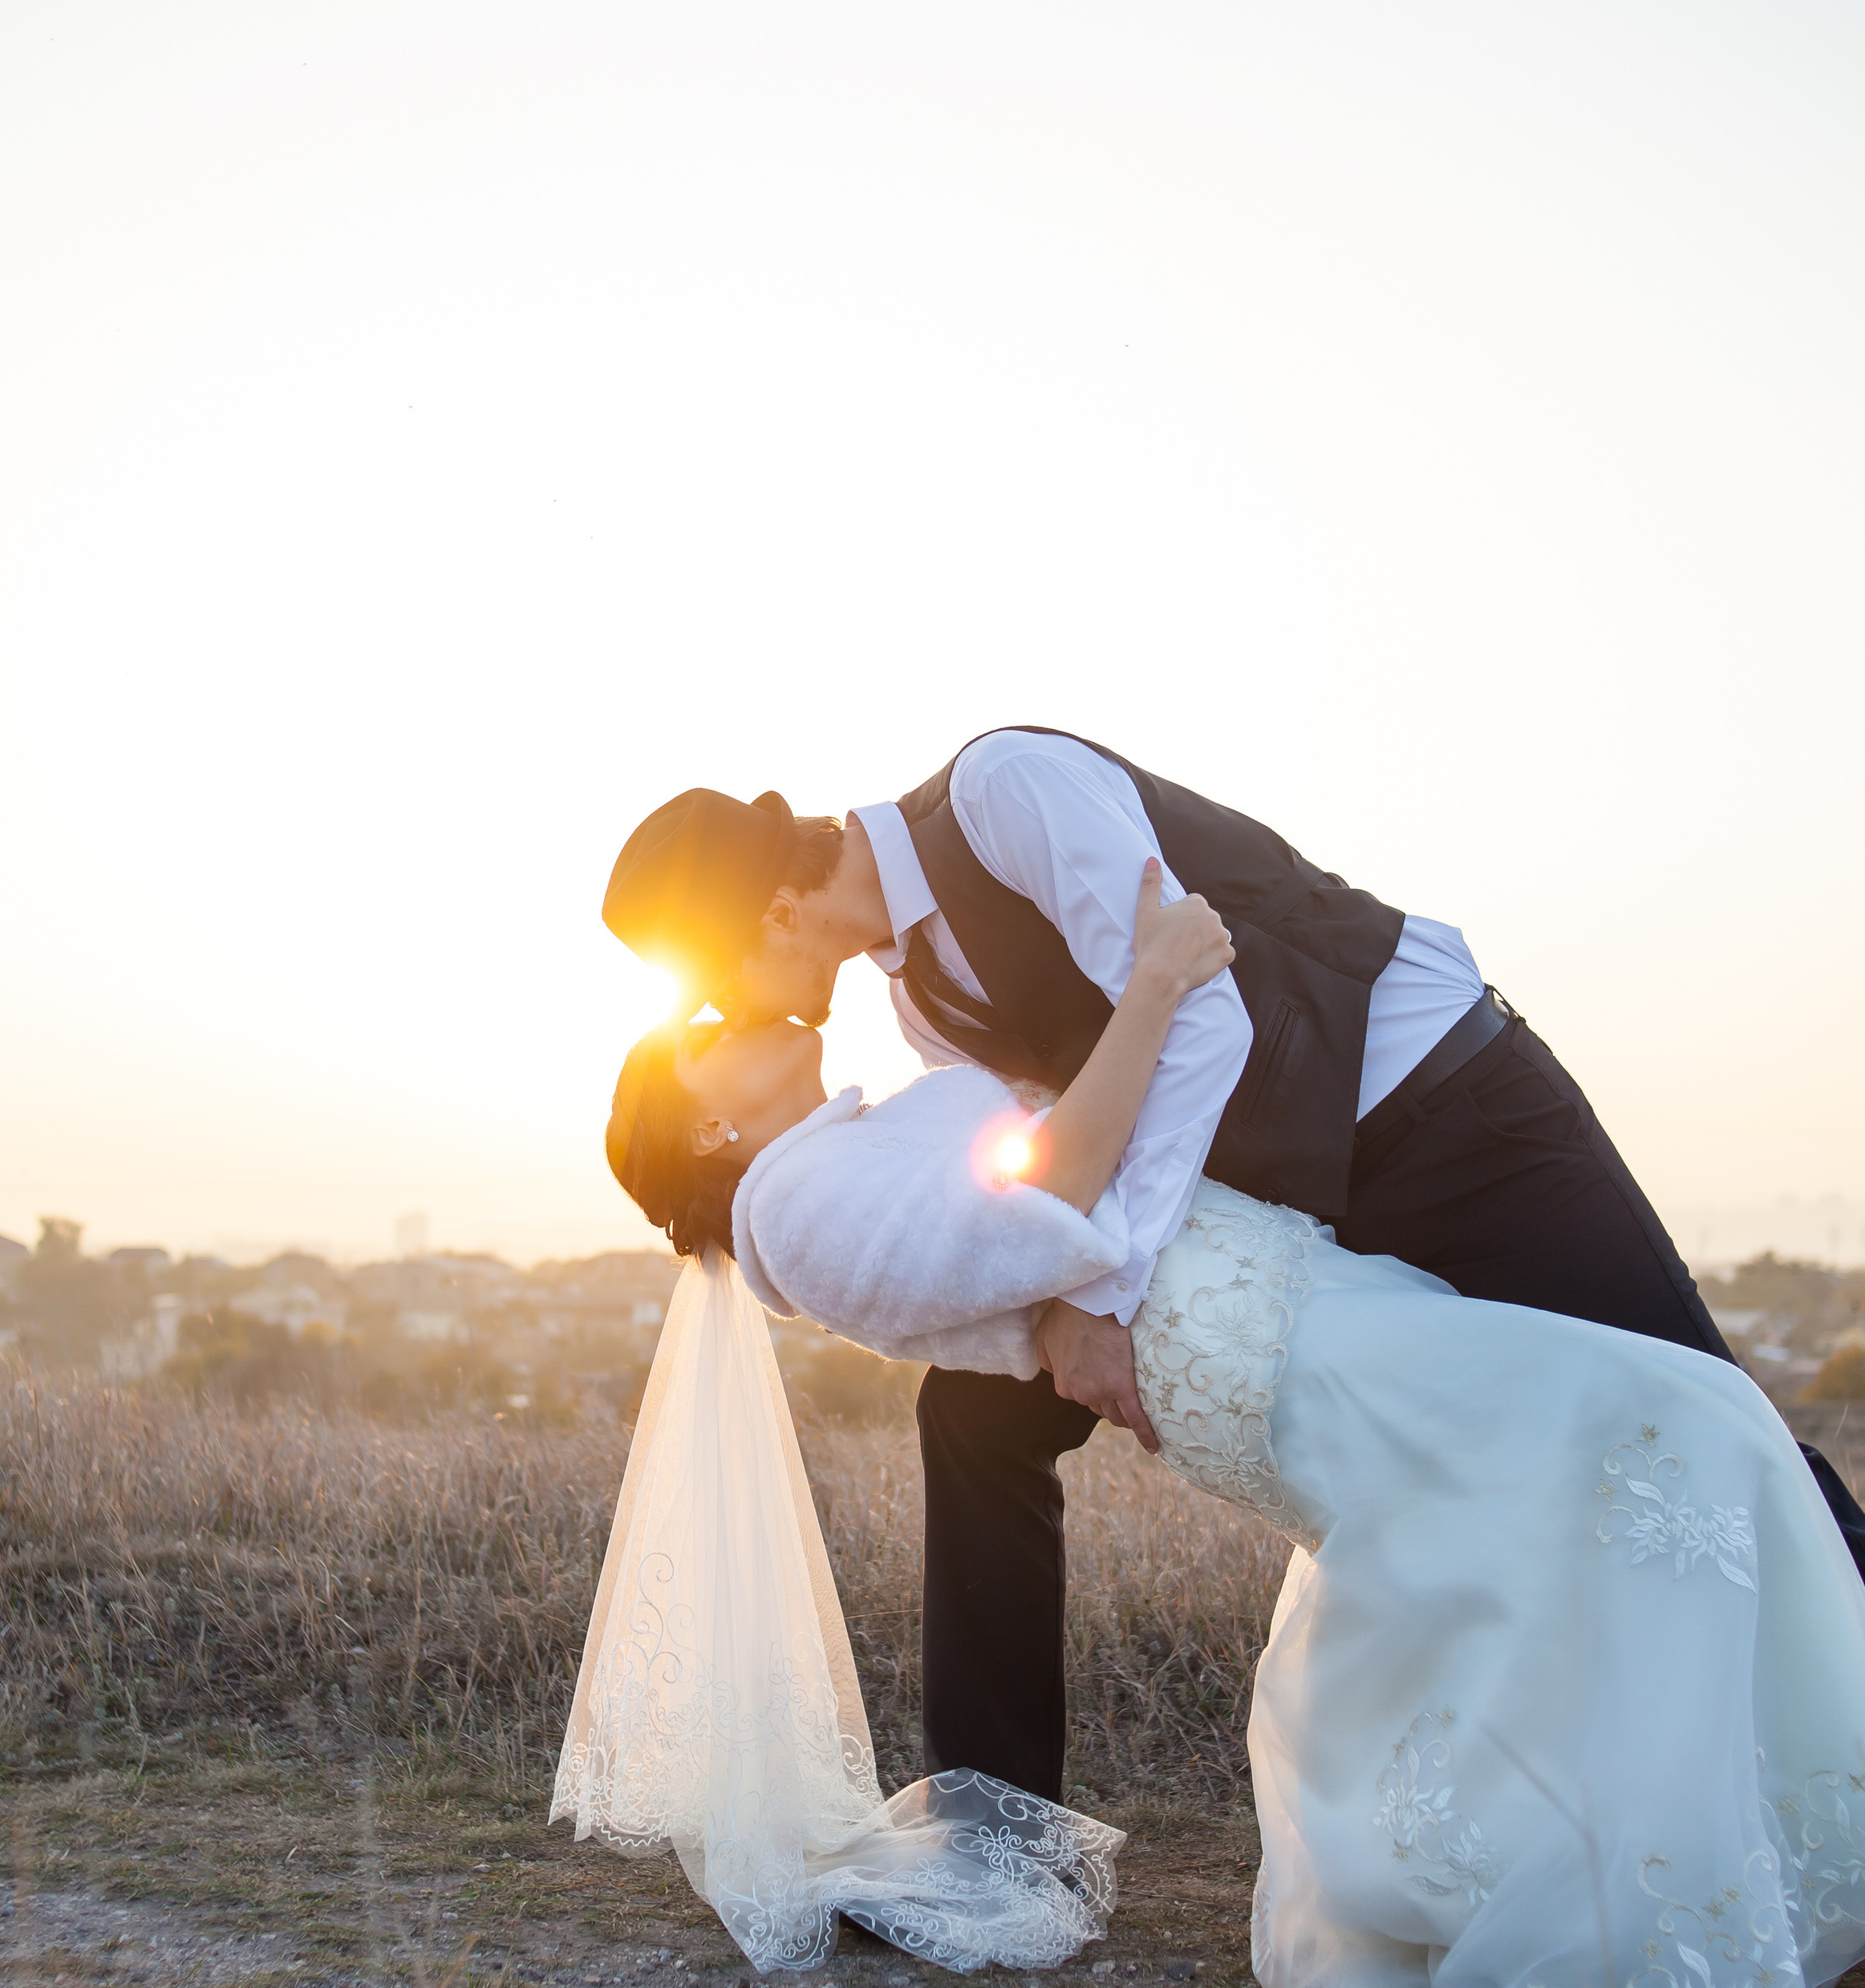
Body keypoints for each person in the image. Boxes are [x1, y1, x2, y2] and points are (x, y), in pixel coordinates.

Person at [599, 865, 1865, 1988]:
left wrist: (1049, 1296)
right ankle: (1593, 1882)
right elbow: (1039, 1212)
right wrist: (1153, 990)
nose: (726, 1014)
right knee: (1671, 1418)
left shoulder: (834, 1154)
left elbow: (1007, 1236)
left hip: (1269, 1289)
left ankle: (1643, 1838)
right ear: (705, 1122)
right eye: (700, 1034)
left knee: (1591, 1478)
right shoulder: (790, 1208)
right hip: (1243, 1343)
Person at [602, 733, 1865, 1807]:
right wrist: (1057, 1307)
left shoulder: (1002, 793)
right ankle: (997, 1824)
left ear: (769, 912)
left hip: (1445, 1111)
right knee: (973, 1414)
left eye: (712, 982)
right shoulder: (924, 1007)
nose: (733, 1012)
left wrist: (1097, 1298)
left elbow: (1206, 1007)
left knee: (1695, 1400)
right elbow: (1062, 1155)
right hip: (1272, 1212)